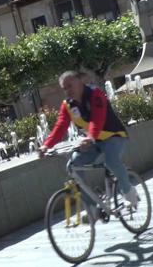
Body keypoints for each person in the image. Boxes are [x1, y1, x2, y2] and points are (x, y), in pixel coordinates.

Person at [39, 70, 139, 215]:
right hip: (93, 142)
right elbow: (60, 127)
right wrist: (45, 145)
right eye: (64, 88)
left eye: (70, 86)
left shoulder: (95, 94)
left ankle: (129, 191)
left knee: (111, 161)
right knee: (73, 165)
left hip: (114, 136)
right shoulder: (68, 105)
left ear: (80, 83)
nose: (67, 90)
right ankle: (92, 208)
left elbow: (97, 119)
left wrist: (90, 137)